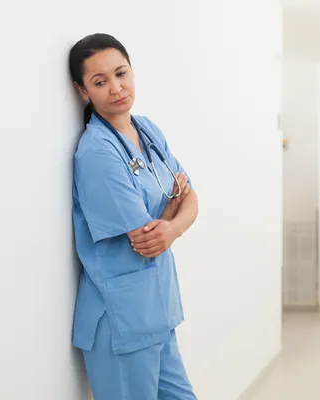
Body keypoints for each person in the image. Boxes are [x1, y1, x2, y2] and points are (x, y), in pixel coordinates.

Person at [69, 33, 199, 399]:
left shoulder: (148, 130)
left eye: (121, 74)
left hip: (157, 311)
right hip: (121, 320)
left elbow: (191, 201)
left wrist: (171, 226)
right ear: (83, 91)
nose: (115, 88)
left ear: (132, 73)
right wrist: (172, 213)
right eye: (100, 82)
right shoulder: (96, 151)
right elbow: (146, 238)